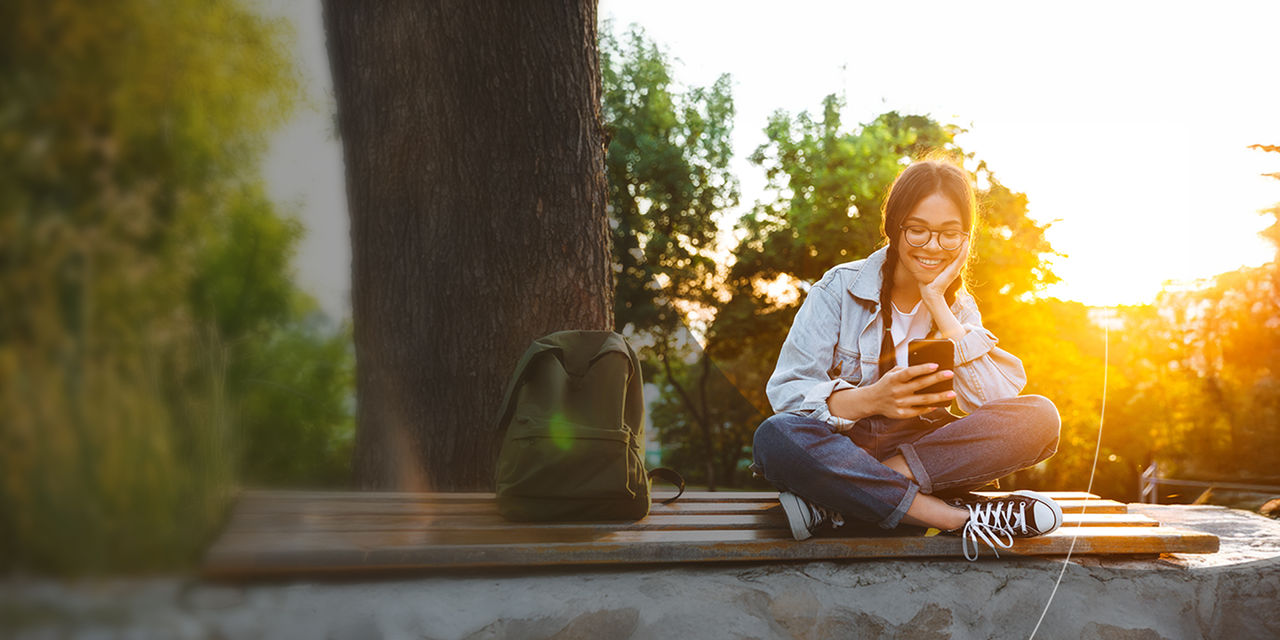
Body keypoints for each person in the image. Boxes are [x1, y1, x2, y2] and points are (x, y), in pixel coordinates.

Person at [750, 159, 1063, 560]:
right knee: (774, 436)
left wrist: (938, 305)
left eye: (950, 234)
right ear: (894, 227)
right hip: (844, 449)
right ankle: (959, 517)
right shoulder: (838, 288)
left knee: (1040, 418)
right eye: (918, 230)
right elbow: (788, 394)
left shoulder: (959, 308)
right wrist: (871, 401)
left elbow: (996, 404)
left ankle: (840, 502)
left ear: (966, 239)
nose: (933, 246)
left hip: (921, 454)